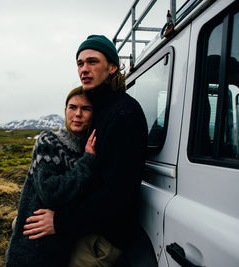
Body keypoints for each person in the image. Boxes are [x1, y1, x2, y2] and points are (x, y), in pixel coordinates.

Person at [23, 34, 150, 266]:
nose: (84, 69)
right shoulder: (101, 111)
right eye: (80, 63)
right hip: (87, 223)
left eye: (92, 62)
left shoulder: (124, 114)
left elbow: (118, 196)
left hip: (104, 236)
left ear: (112, 67)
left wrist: (60, 221)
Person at [6, 86, 97, 267]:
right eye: (72, 107)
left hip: (63, 247)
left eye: (85, 109)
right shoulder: (48, 141)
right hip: (32, 248)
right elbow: (50, 192)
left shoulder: (89, 150)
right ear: (65, 111)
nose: (77, 114)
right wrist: (87, 162)